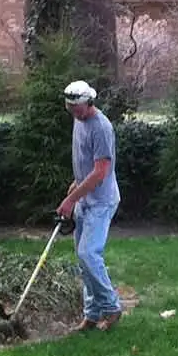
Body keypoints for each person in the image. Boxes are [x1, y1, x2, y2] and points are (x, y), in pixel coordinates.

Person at [55, 79, 122, 331]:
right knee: (83, 259)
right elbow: (84, 163)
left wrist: (71, 199)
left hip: (102, 201)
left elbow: (100, 172)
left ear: (89, 102)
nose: (73, 112)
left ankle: (112, 307)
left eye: (77, 108)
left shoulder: (101, 127)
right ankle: (91, 315)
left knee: (88, 254)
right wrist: (74, 188)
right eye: (69, 108)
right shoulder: (78, 120)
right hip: (85, 198)